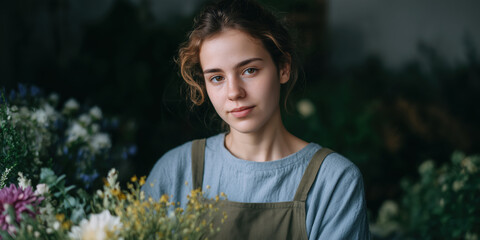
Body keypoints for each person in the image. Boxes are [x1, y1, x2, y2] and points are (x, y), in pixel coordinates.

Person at [143, 0, 370, 239]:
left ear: (283, 68)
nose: (234, 92)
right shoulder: (175, 171)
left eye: (249, 70)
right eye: (217, 78)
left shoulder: (334, 181)